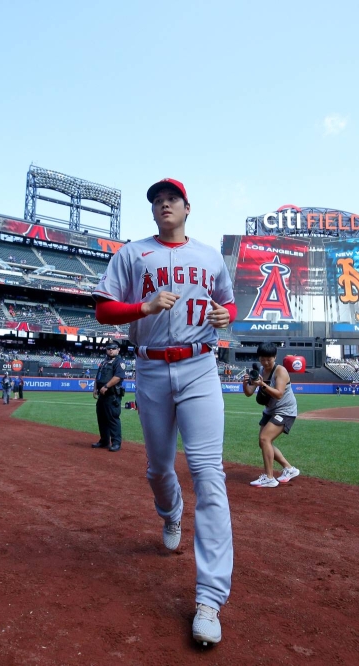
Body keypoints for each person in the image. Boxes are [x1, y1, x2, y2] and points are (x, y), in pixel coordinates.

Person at [93, 177, 237, 646]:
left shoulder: (210, 256)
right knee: (158, 468)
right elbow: (103, 310)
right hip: (151, 369)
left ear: (188, 208)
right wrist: (143, 306)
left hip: (199, 367)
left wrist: (224, 317)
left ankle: (210, 598)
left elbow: (228, 303)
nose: (164, 205)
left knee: (208, 472)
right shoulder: (133, 253)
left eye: (171, 198)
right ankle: (171, 512)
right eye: (157, 201)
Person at [243, 343, 300, 488]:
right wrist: (246, 383)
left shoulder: (280, 371)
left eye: (269, 359)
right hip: (270, 410)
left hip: (285, 410)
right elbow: (249, 393)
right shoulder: (260, 370)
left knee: (265, 438)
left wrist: (262, 385)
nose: (266, 362)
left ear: (275, 357)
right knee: (263, 442)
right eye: (263, 359)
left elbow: (279, 394)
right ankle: (289, 469)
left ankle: (269, 478)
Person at [91, 340, 126, 452]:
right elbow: (98, 376)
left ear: (118, 349)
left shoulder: (119, 362)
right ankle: (104, 440)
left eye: (113, 348)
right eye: (108, 348)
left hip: (112, 395)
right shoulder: (104, 362)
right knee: (101, 418)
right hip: (102, 395)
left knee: (112, 418)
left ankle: (116, 443)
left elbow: (118, 377)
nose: (111, 350)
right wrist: (95, 388)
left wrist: (106, 386)